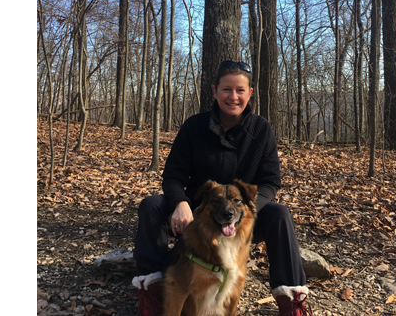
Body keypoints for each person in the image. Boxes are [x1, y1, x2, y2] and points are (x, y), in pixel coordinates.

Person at [130, 61, 312, 316]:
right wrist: (181, 203)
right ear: (215, 91)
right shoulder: (194, 126)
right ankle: (151, 289)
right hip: (197, 215)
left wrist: (247, 210)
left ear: (250, 93)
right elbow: (172, 176)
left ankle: (292, 300)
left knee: (280, 214)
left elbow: (271, 181)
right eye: (227, 89)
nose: (233, 96)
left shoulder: (261, 129)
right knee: (151, 205)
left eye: (240, 90)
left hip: (242, 214)